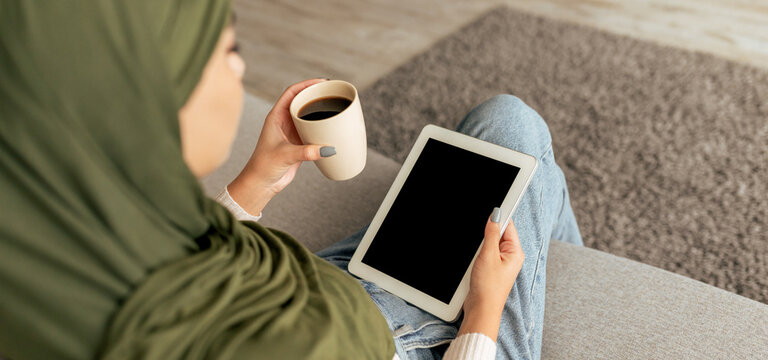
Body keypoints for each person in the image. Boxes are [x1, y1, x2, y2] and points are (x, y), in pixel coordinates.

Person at [0, 1, 581, 359]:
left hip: (299, 290)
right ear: (149, 97)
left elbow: (178, 259)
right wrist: (485, 309)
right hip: (391, 340)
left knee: (495, 143)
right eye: (225, 50)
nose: (240, 69)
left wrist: (255, 180)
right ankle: (565, 285)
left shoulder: (46, 244)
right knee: (515, 131)